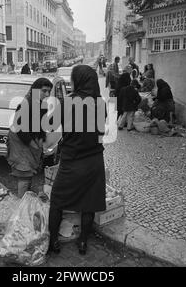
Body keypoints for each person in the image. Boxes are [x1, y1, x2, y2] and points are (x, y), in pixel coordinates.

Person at [48, 65, 107, 256]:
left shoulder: (67, 102)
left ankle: (53, 241)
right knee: (89, 203)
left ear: (79, 81)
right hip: (94, 160)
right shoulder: (100, 103)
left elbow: (52, 125)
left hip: (72, 160)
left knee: (57, 201)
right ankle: (83, 242)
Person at [6, 78, 53, 198]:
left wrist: (41, 142)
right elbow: (20, 129)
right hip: (19, 142)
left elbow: (41, 127)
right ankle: (21, 206)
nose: (47, 94)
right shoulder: (26, 104)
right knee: (24, 174)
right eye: (44, 91)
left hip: (28, 141)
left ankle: (27, 198)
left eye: (49, 91)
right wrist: (34, 145)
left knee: (30, 171)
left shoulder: (42, 104)